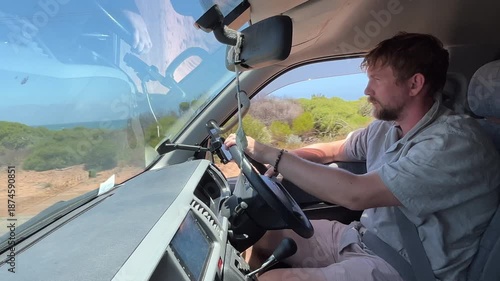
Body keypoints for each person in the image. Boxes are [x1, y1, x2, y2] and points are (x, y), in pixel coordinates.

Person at [224, 32, 500, 281]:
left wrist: (271, 152)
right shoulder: (386, 128)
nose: (367, 91)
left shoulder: (454, 144)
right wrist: (276, 164)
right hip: (360, 238)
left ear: (414, 84)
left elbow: (357, 194)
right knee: (264, 235)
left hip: (405, 267)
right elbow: (332, 150)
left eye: (376, 80)